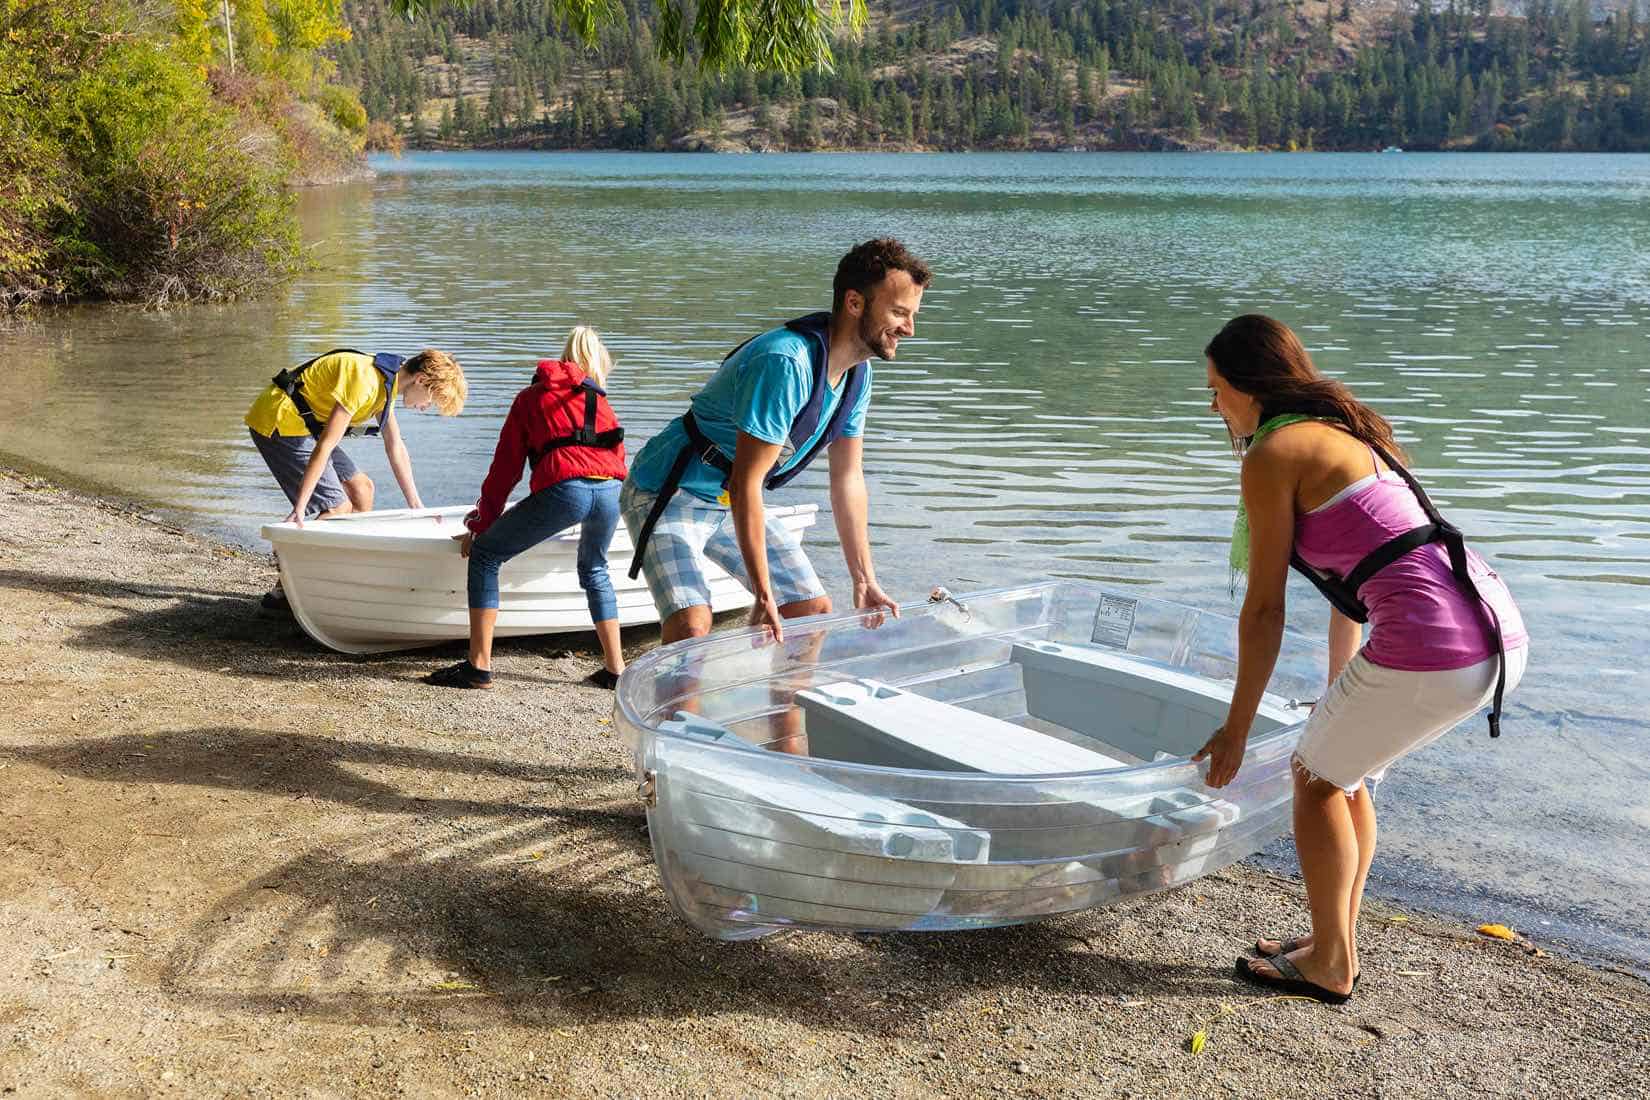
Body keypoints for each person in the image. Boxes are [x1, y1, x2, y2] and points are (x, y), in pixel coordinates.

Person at [1192, 314, 1529, 1004]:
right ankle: (1332, 940)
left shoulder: (1273, 453)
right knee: (1343, 777)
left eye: (1216, 389)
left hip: (1435, 645)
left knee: (1313, 777)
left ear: (1251, 388)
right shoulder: (1348, 432)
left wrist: (1237, 727)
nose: (1212, 406)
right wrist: (1342, 685)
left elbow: (1264, 610)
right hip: (1493, 630)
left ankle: (1332, 966)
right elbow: (1356, 584)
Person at [620, 238, 930, 646]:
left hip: (728, 500)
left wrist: (864, 579)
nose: (909, 328)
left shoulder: (858, 374)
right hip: (668, 490)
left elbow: (847, 480)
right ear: (854, 303)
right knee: (693, 625)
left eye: (912, 315)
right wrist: (764, 597)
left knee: (811, 613)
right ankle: (672, 711)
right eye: (899, 312)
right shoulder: (785, 363)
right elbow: (748, 482)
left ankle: (782, 711)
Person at [424, 327, 628, 690]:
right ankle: (616, 670)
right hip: (611, 491)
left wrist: (480, 525)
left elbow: (505, 471)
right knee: (595, 568)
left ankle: (478, 666)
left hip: (568, 492)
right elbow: (615, 455)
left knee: (486, 554)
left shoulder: (531, 397)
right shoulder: (600, 401)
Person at [246, 347, 467, 611]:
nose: (425, 407)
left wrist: (416, 506)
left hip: (307, 426)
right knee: (337, 508)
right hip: (279, 421)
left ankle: (338, 572)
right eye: (430, 400)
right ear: (420, 380)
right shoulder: (365, 382)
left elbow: (395, 446)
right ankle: (291, 586)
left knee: (363, 490)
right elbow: (326, 445)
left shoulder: (387, 384)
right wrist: (301, 506)